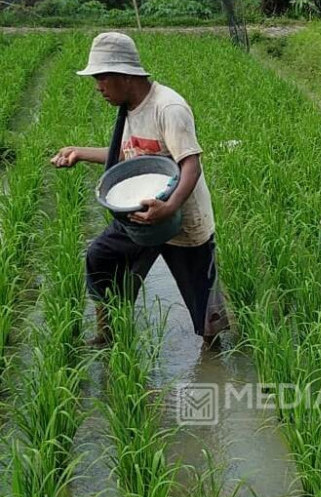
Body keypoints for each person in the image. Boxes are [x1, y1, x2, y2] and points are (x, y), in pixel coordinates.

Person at [51, 32, 228, 347]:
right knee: (100, 257)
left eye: (102, 77)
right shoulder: (128, 109)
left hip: (182, 219)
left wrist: (170, 207)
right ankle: (108, 333)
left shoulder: (168, 107)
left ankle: (212, 355)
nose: (98, 86)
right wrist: (79, 152)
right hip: (140, 215)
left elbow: (192, 164)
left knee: (204, 307)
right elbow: (126, 157)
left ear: (125, 75)